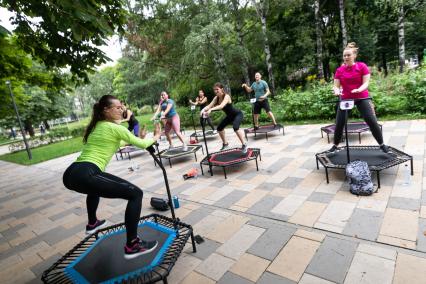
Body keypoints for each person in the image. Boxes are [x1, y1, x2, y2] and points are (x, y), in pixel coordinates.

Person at [63, 95, 161, 259]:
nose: (121, 110)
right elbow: (143, 145)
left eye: (122, 107)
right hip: (86, 172)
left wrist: (140, 138)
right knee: (136, 194)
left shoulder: (97, 127)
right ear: (105, 110)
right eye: (117, 107)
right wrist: (156, 136)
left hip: (71, 174)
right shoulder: (115, 127)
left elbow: (120, 143)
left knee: (94, 188)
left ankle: (92, 223)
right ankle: (132, 245)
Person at [329, 42, 388, 153]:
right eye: (344, 55)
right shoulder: (339, 70)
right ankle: (335, 146)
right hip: (346, 98)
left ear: (354, 56)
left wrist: (359, 90)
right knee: (339, 123)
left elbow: (366, 83)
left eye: (348, 55)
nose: (346, 57)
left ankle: (382, 144)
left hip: (362, 97)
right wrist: (336, 91)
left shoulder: (362, 66)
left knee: (371, 121)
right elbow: (336, 86)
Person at [201, 83, 248, 153]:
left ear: (222, 89)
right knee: (219, 128)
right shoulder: (216, 98)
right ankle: (225, 144)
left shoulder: (226, 96)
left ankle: (244, 144)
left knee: (235, 127)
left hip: (237, 114)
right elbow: (209, 106)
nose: (216, 91)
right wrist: (203, 110)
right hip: (229, 116)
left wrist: (211, 109)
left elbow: (221, 106)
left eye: (217, 89)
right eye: (214, 90)